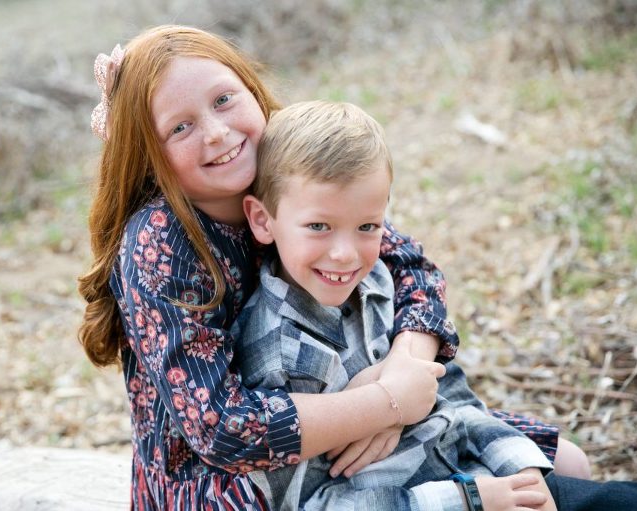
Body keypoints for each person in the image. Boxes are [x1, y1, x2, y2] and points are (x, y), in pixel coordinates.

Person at [77, 25, 624, 511]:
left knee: (568, 464)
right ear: (147, 152)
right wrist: (382, 403)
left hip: (354, 400)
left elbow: (412, 266)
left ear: (252, 89)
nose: (217, 133)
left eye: (224, 99)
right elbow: (221, 428)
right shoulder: (160, 240)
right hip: (232, 479)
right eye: (180, 128)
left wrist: (402, 373)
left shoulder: (283, 160)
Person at [235, 100, 556, 511]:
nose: (345, 255)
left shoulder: (378, 281)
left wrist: (517, 468)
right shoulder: (280, 356)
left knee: (576, 470)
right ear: (263, 220)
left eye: (367, 226)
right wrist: (471, 498)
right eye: (319, 227)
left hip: (461, 463)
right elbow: (317, 505)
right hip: (435, 496)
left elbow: (450, 396)